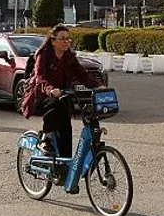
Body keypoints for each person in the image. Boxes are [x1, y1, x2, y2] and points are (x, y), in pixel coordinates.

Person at [19, 25, 105, 163]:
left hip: (63, 96)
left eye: (68, 39)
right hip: (42, 95)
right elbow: (40, 78)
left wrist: (98, 85)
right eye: (62, 39)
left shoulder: (69, 56)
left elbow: (82, 75)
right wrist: (51, 89)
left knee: (66, 130)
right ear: (53, 41)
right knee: (54, 104)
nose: (66, 41)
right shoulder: (44, 54)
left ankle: (65, 167)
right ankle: (46, 138)